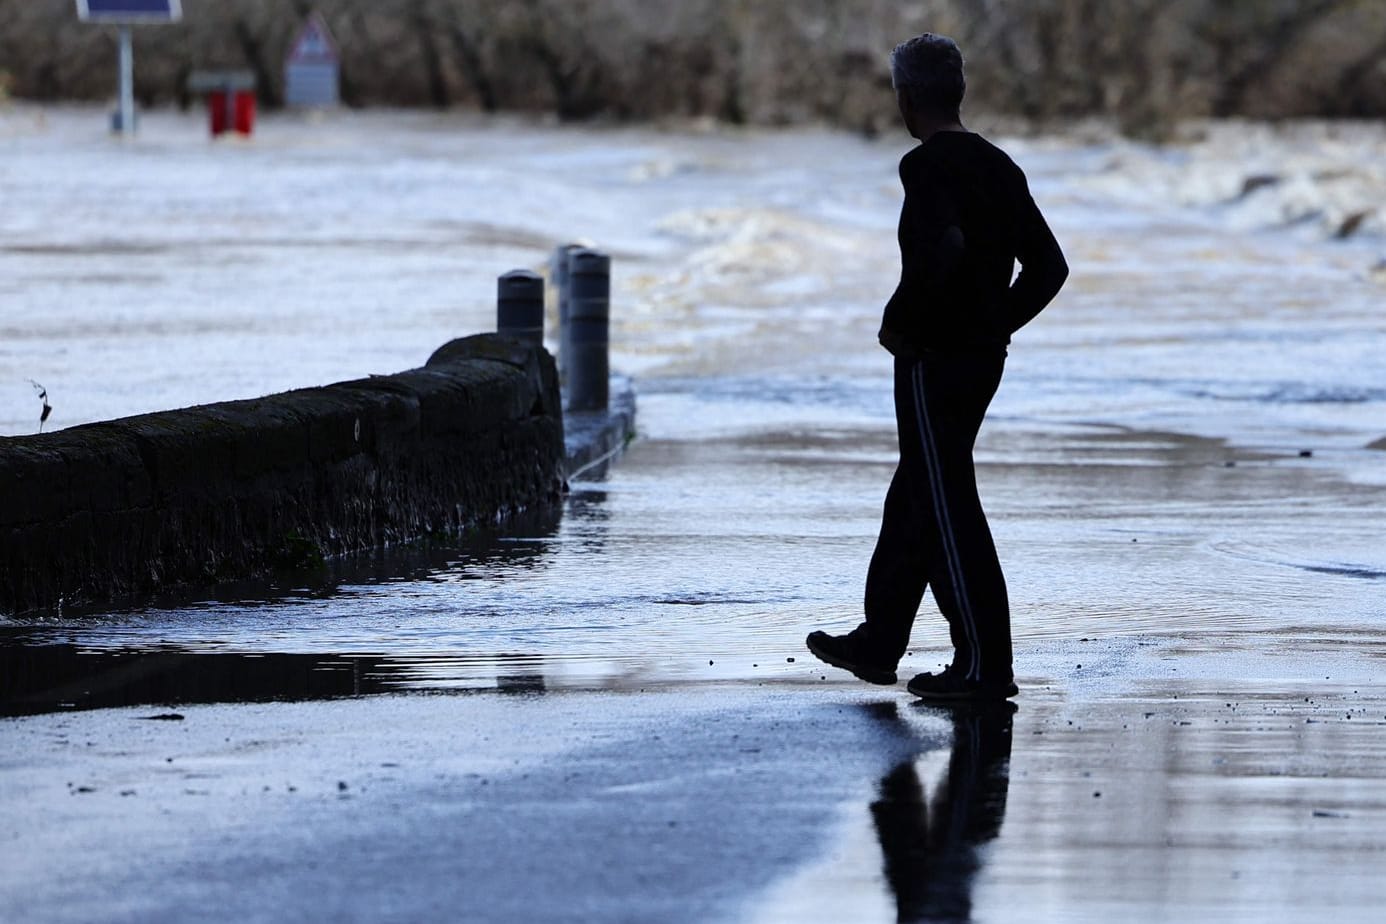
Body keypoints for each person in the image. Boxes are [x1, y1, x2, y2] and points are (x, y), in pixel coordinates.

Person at [807, 33, 1068, 702]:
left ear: (906, 98)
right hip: (979, 357)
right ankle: (880, 640)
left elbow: (943, 246)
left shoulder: (925, 167)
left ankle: (984, 665)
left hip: (935, 358)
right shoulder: (1000, 165)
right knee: (919, 491)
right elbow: (1049, 268)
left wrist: (904, 318)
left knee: (948, 504)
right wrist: (995, 326)